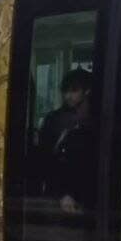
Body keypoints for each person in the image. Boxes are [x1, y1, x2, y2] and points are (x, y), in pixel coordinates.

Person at [38, 68, 97, 214]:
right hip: (58, 193)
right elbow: (46, 158)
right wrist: (62, 193)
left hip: (84, 193)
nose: (68, 96)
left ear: (87, 92)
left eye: (74, 91)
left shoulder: (93, 122)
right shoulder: (54, 120)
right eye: (65, 91)